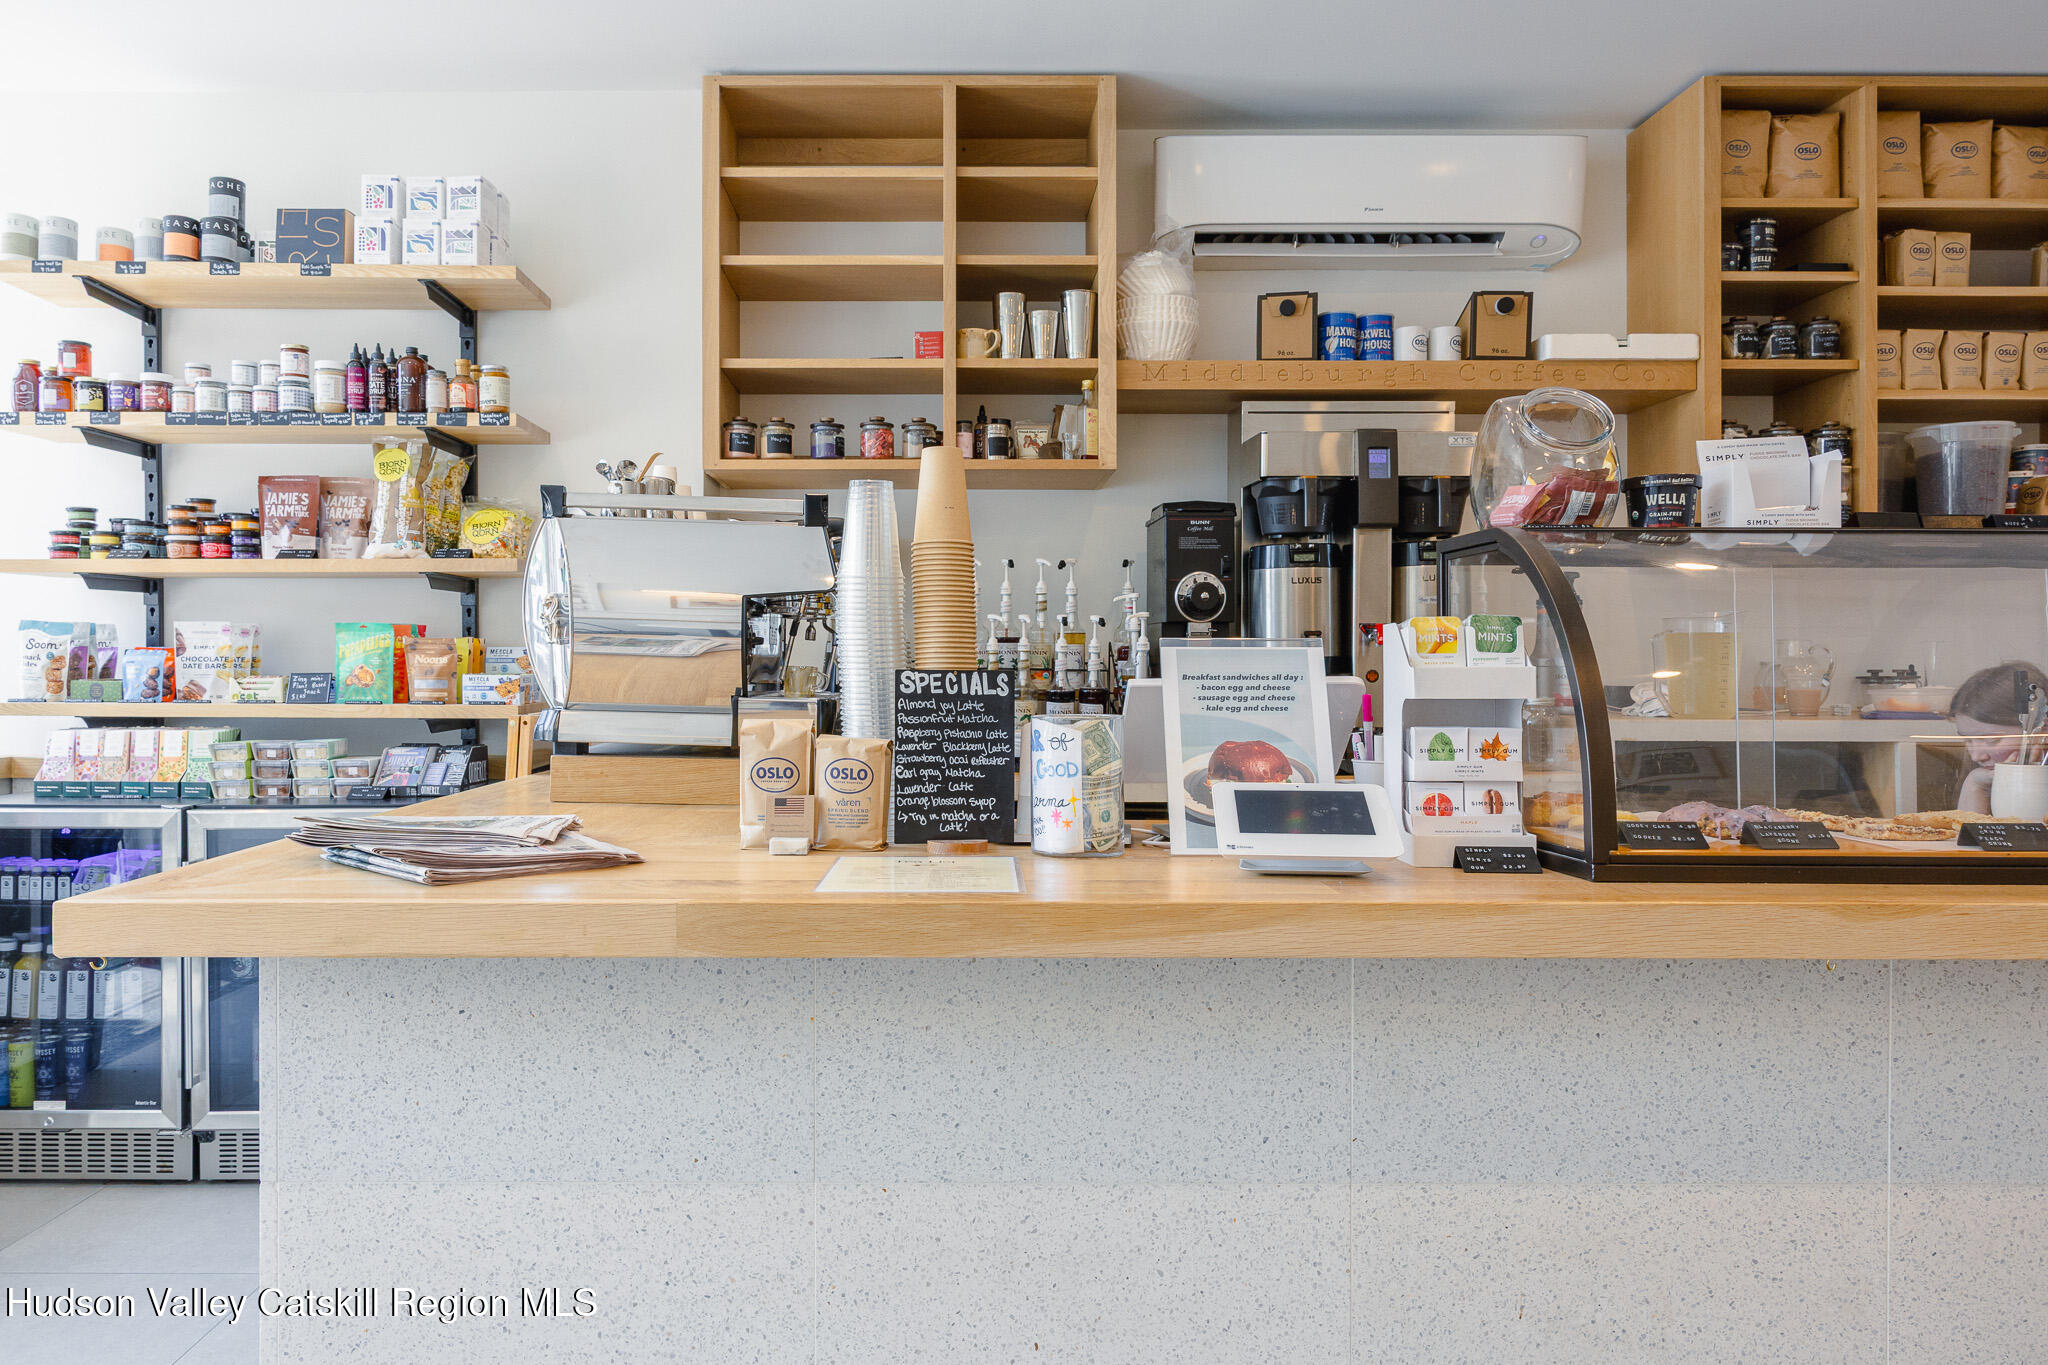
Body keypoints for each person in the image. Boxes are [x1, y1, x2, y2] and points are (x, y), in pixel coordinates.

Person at [1950, 661, 2048, 814]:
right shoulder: (1980, 777)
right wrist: (1975, 784)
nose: (1976, 756)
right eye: (1967, 740)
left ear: (2042, 731)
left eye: (1991, 740)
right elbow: (1970, 836)